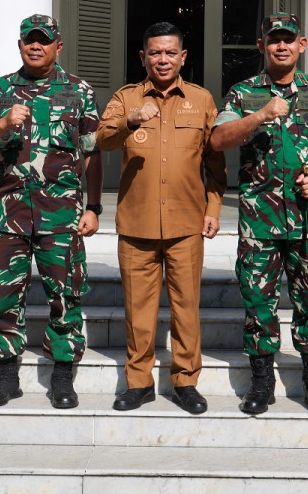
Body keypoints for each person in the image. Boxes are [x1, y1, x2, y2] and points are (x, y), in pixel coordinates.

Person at [210, 12, 308, 417]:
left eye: (289, 40)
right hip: (260, 222)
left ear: (301, 45)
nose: (282, 46)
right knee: (259, 304)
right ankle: (262, 382)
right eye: (274, 40)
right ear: (262, 46)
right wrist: (259, 116)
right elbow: (218, 140)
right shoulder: (243, 93)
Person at [0, 14, 102, 410]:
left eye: (44, 40)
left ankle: (63, 375)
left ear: (58, 46)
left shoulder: (78, 91)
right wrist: (4, 124)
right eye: (30, 40)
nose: (36, 45)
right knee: (4, 296)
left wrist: (94, 207)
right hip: (9, 213)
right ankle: (7, 375)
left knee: (65, 295)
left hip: (61, 215)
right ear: (21, 44)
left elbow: (93, 152)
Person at [97, 22, 227, 414]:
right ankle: (139, 383)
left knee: (186, 306)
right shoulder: (126, 97)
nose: (163, 59)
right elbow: (100, 139)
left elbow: (215, 160)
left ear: (183, 57)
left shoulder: (201, 100)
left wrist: (214, 208)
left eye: (171, 52)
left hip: (186, 223)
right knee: (139, 309)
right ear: (143, 57)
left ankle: (186, 381)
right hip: (136, 224)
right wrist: (131, 120)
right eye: (155, 52)